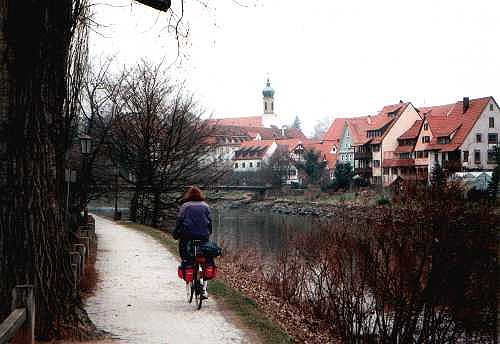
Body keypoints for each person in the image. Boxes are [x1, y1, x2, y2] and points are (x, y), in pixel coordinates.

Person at [173, 186, 212, 298]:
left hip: (187, 236)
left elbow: (179, 221)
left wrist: (176, 234)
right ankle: (204, 289)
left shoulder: (185, 206)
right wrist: (208, 233)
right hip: (203, 236)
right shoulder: (205, 206)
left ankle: (188, 265)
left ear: (188, 196)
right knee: (205, 259)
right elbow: (209, 222)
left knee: (186, 255)